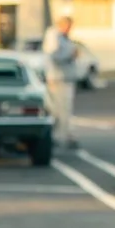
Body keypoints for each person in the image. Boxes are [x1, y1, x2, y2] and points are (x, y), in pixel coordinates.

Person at [41, 13, 83, 147]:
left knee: (64, 110)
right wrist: (71, 54)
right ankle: (58, 137)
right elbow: (54, 56)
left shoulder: (64, 38)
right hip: (58, 79)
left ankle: (65, 136)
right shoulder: (54, 37)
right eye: (68, 26)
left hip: (65, 78)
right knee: (59, 110)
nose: (70, 29)